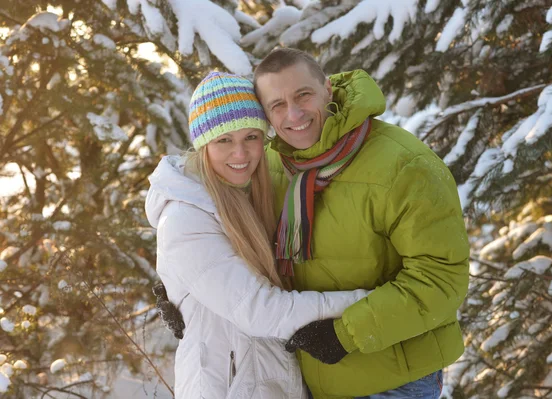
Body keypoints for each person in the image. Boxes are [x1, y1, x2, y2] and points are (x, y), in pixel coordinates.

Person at [253, 48, 470, 399]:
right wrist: (186, 291)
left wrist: (347, 334)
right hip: (312, 380)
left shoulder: (403, 165)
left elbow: (441, 277)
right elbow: (235, 237)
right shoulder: (272, 167)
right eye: (276, 105)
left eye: (303, 95)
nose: (293, 114)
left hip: (395, 379)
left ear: (327, 89)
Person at [144, 72, 369, 399]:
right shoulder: (184, 219)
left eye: (251, 137)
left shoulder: (249, 193)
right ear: (202, 144)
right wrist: (371, 303)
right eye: (224, 140)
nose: (241, 154)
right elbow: (264, 312)